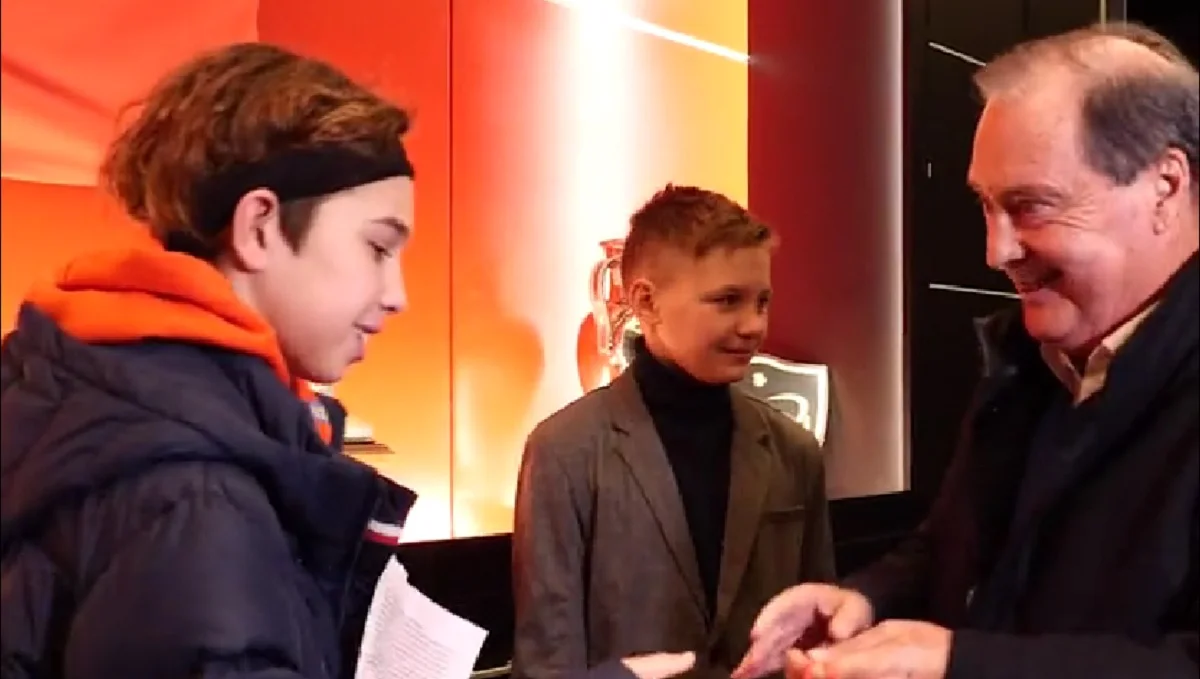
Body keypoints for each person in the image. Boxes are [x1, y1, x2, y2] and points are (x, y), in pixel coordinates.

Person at [733, 21, 1199, 679]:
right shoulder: (1027, 366)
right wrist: (865, 601)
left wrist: (959, 661)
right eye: (985, 204)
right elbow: (951, 547)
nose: (995, 251)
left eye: (1031, 206)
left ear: (1165, 186)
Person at [0, 43, 420, 678]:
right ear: (259, 227)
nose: (397, 295)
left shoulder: (73, 386)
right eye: (378, 247)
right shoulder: (195, 496)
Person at [512, 185, 837, 679]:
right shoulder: (566, 452)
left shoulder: (794, 451)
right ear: (646, 302)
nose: (753, 325)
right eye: (727, 300)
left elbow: (818, 641)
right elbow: (549, 662)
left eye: (762, 302)